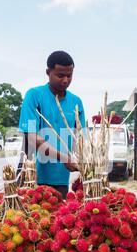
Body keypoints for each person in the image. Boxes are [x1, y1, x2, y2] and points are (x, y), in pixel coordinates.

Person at [18, 51, 86, 198]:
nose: (65, 80)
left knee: (57, 217)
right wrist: (64, 158)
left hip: (61, 178)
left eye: (69, 75)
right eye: (60, 75)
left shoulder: (76, 103)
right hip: (32, 176)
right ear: (48, 72)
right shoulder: (34, 96)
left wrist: (82, 162)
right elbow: (31, 136)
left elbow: (80, 138)